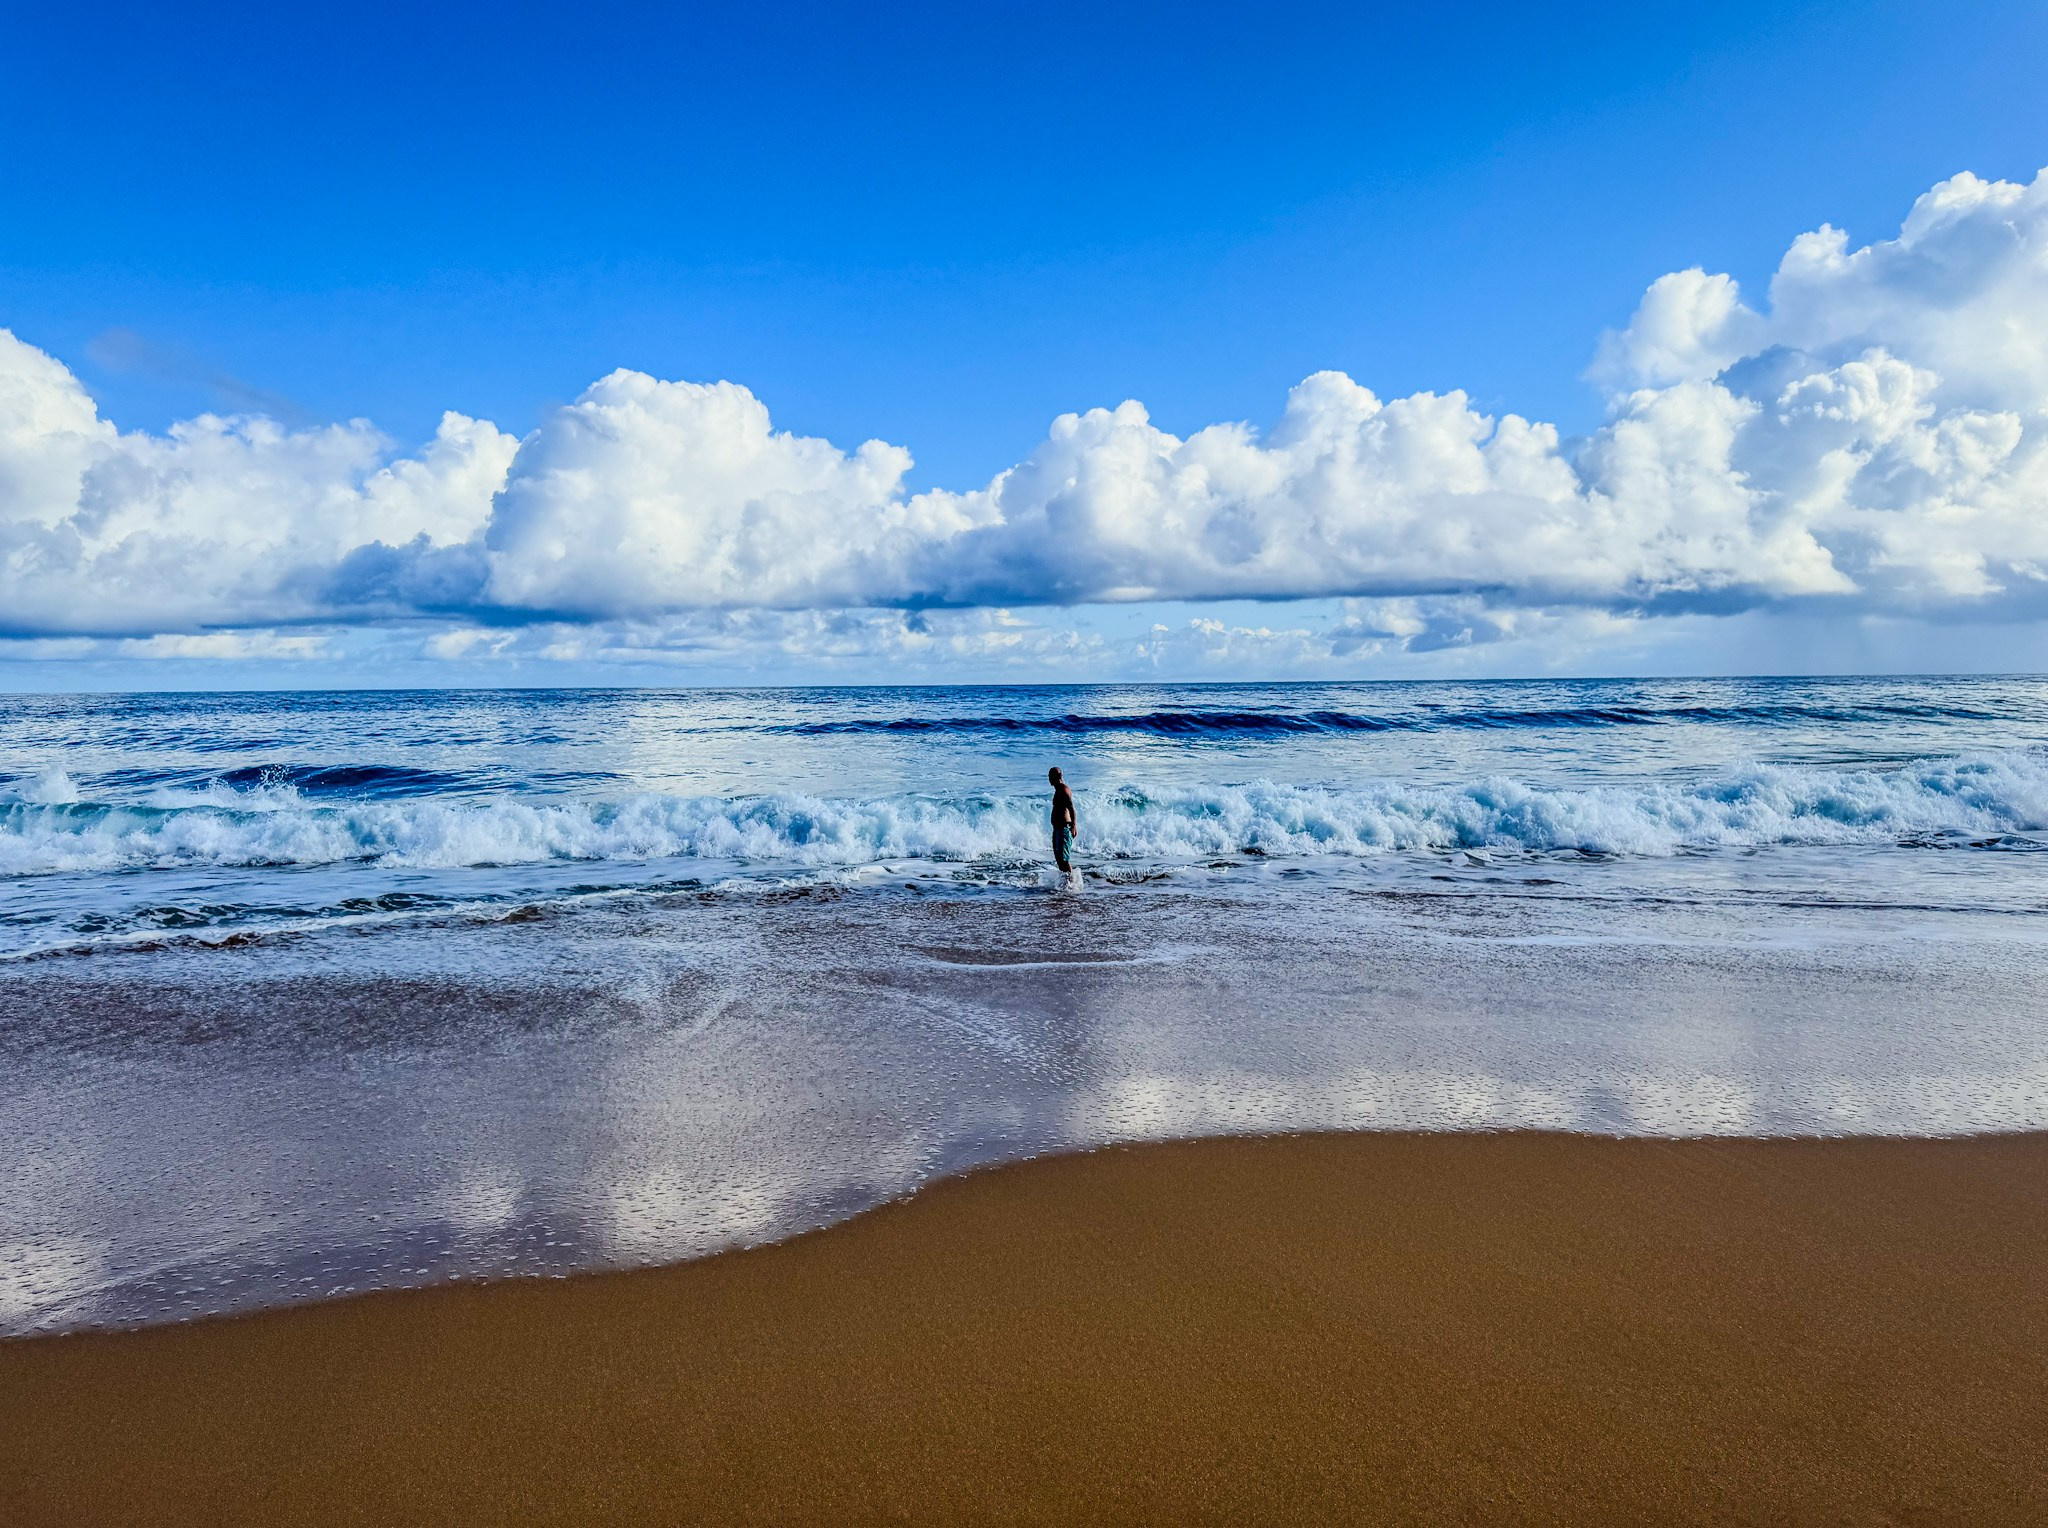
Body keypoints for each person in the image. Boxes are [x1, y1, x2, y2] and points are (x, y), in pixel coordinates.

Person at [1048, 766, 1077, 876]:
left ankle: (1071, 882)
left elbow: (1071, 808)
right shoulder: (1058, 790)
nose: (1049, 779)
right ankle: (1065, 884)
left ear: (1058, 776)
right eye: (1049, 776)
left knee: (1064, 860)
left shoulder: (1064, 790)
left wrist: (1074, 826)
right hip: (1057, 829)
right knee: (1059, 859)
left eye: (1051, 776)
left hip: (1064, 828)